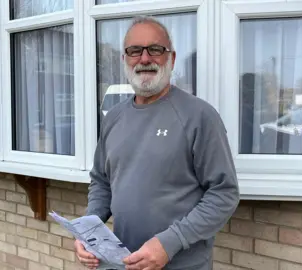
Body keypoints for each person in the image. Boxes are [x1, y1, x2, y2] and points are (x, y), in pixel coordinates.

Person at [75, 16, 240, 270]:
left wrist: (169, 243)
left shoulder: (199, 116)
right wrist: (90, 230)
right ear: (125, 60)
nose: (144, 59)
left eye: (155, 49)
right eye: (134, 51)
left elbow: (223, 193)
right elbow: (102, 181)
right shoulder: (114, 118)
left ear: (171, 59)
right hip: (122, 264)